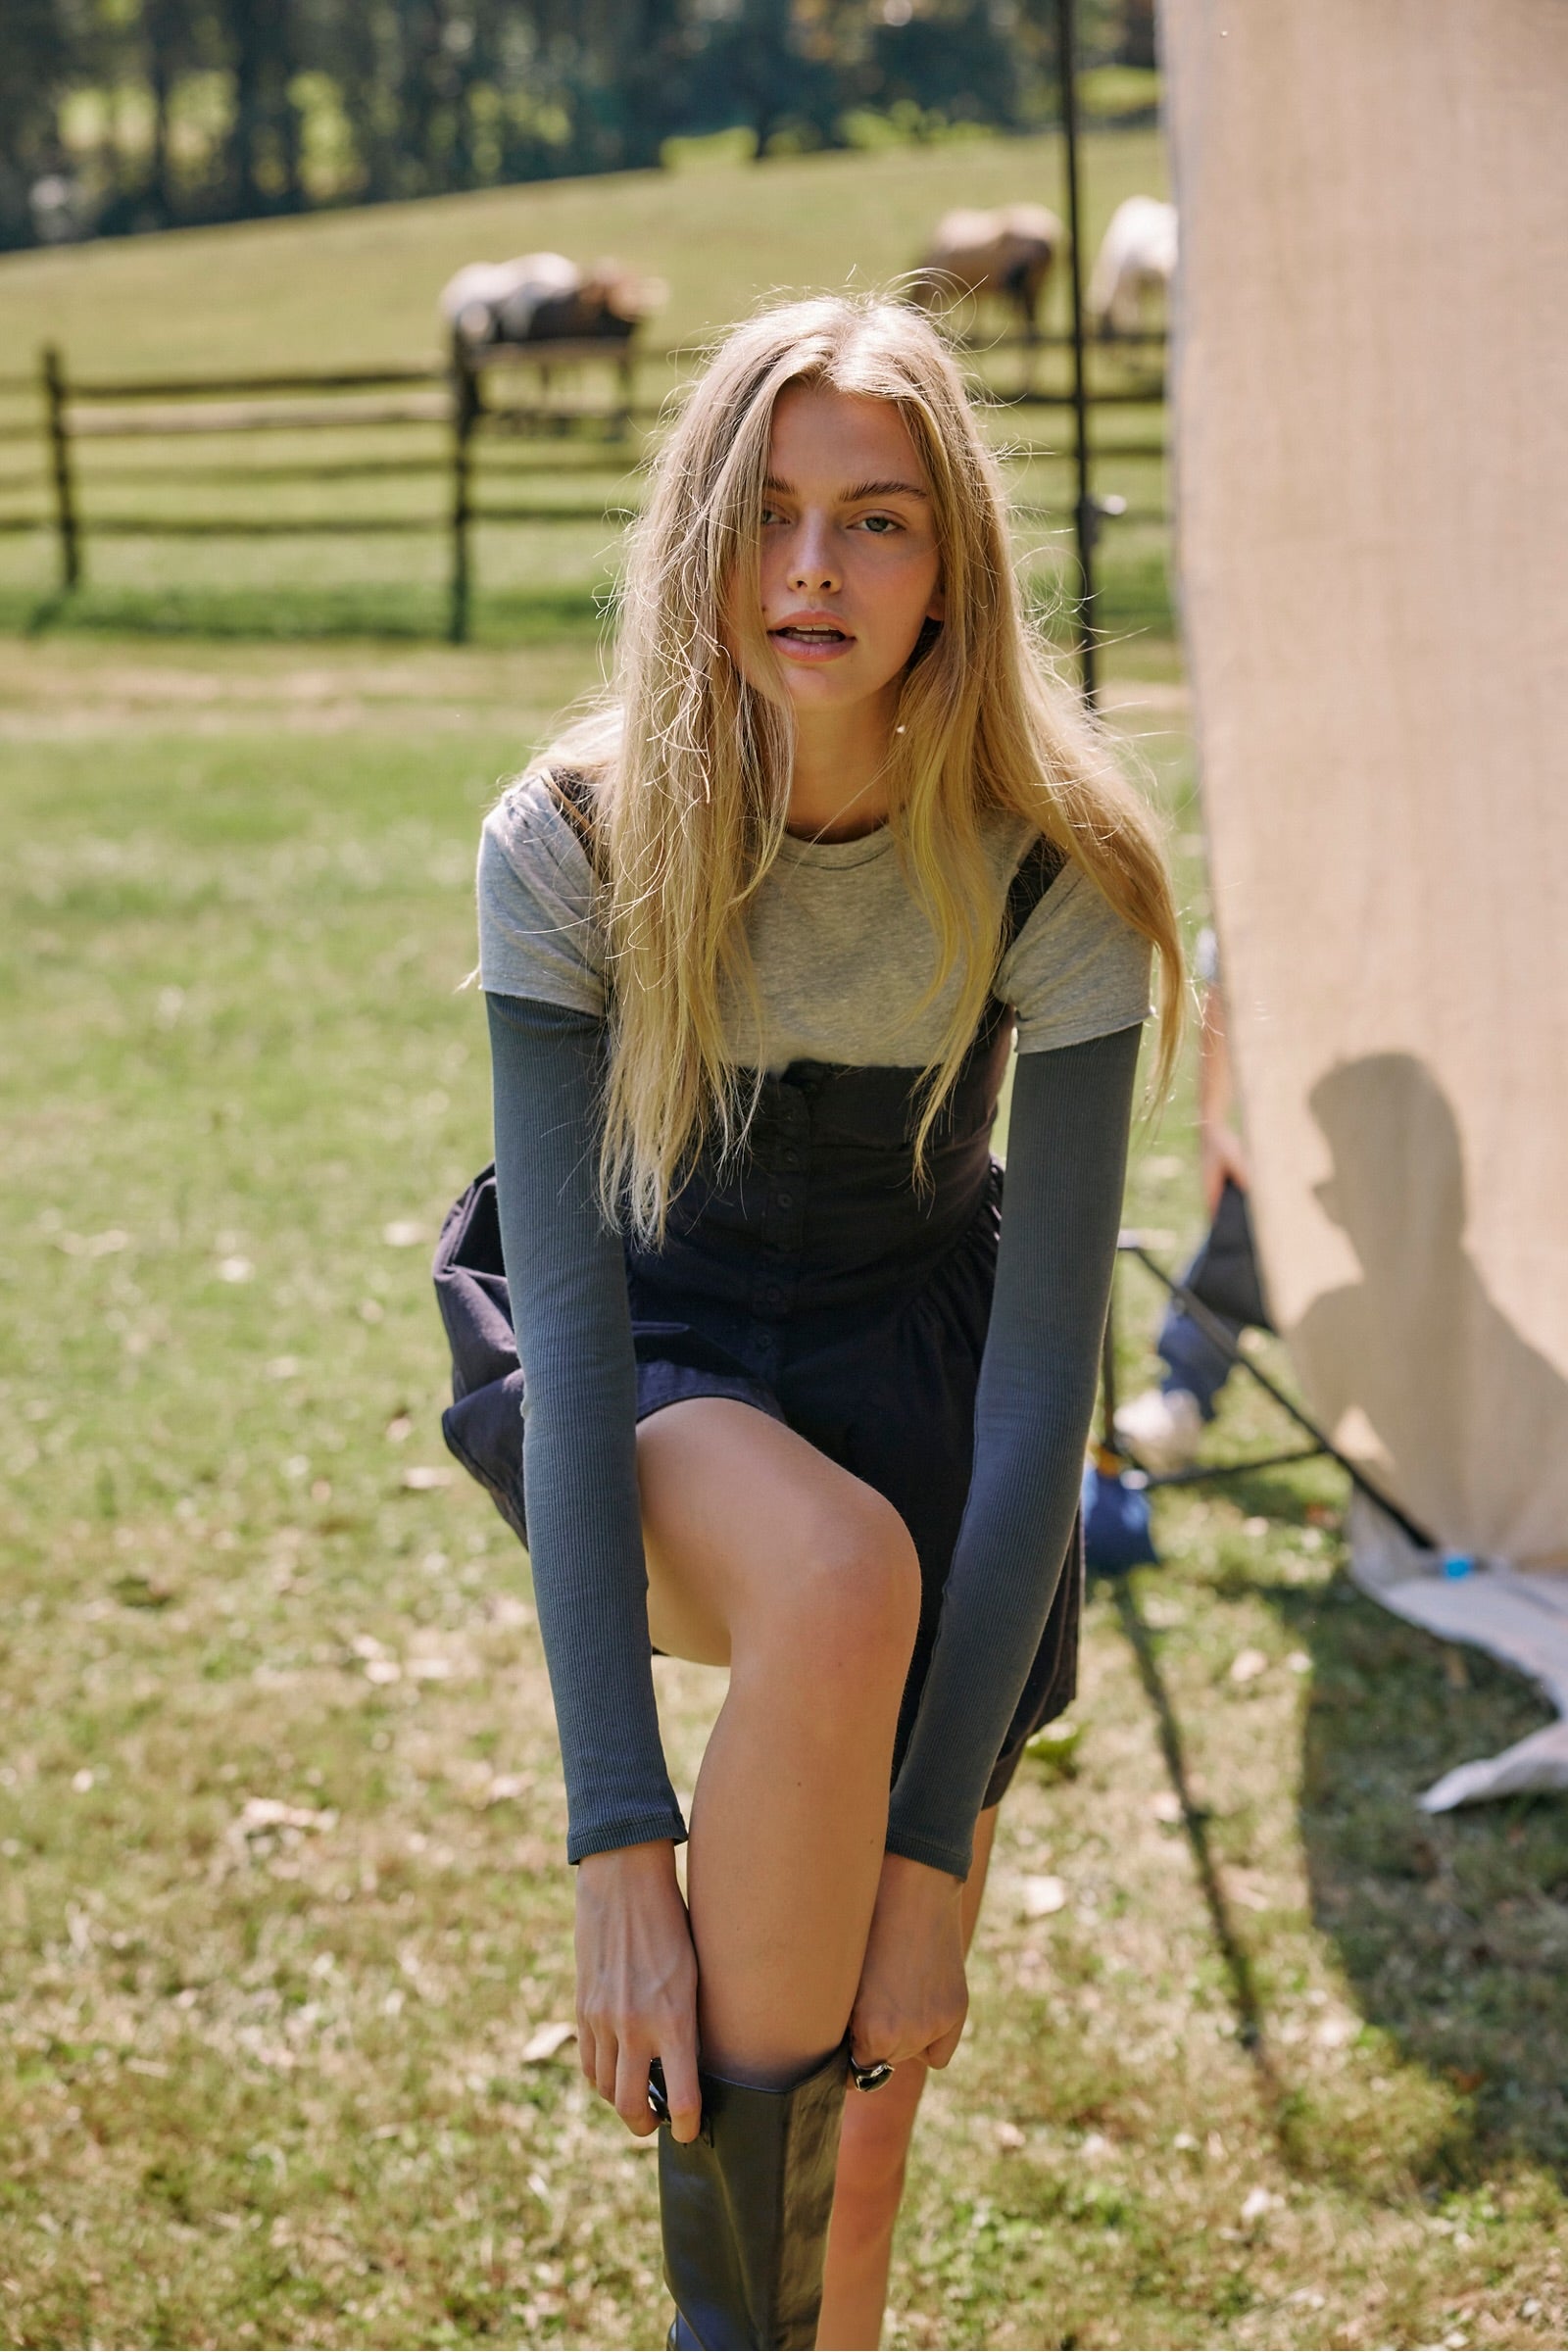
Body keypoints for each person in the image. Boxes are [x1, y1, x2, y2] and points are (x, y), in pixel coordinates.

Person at [442, 294, 1182, 2350]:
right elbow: (573, 1326)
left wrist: (928, 1861)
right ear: (700, 538)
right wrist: (619, 1841)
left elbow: (1042, 1387)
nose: (811, 568)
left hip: (927, 1366)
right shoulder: (575, 836)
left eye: (874, 518)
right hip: (651, 1343)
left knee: (855, 2144)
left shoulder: (1053, 863)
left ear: (954, 561)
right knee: (838, 1577)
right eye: (766, 511)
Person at [1114, 927, 1272, 1473]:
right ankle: (1182, 1397)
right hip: (1284, 1133)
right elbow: (1229, 974)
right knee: (1235, 1249)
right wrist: (1215, 1128)